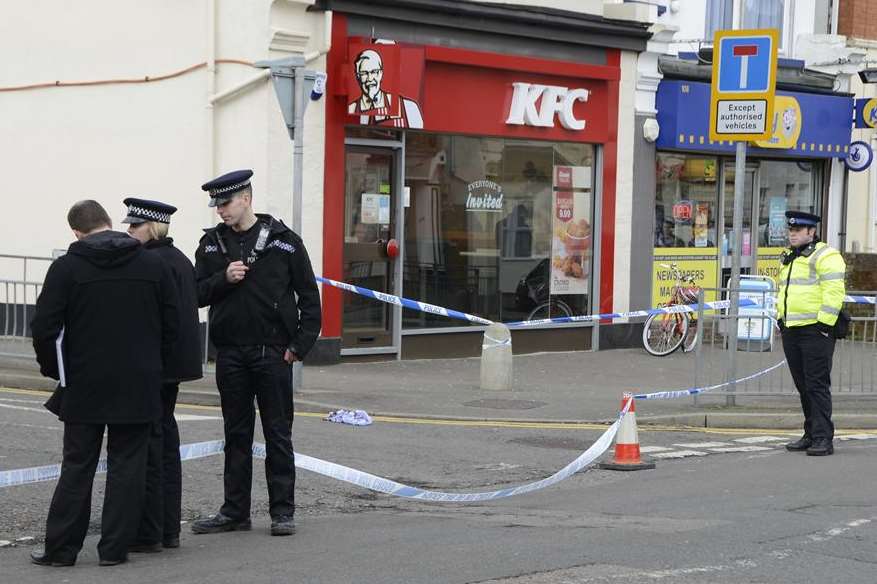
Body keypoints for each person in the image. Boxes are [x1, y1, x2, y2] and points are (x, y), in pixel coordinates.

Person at [29, 200, 178, 567]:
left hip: (83, 382)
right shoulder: (152, 264)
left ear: (77, 232)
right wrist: (157, 370)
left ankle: (61, 550)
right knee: (128, 466)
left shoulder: (66, 268)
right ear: (110, 222)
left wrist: (57, 371)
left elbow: (44, 329)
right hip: (138, 382)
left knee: (78, 464)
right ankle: (113, 549)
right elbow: (173, 326)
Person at [191, 169, 321, 537]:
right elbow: (196, 293)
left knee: (278, 434)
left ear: (246, 199)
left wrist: (298, 347)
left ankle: (282, 512)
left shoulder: (285, 242)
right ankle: (235, 512)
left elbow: (310, 299)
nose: (221, 211)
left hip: (273, 353)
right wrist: (222, 279)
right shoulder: (212, 244)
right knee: (236, 435)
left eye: (226, 203)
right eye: (216, 204)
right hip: (231, 352)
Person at [122, 198, 203, 552]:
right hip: (173, 369)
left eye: (135, 226)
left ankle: (150, 531)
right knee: (167, 446)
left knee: (151, 449)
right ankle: (168, 528)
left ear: (152, 228)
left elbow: (153, 319)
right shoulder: (180, 259)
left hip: (154, 368)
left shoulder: (150, 261)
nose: (129, 231)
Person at [777, 211, 846, 456]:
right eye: (791, 230)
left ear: (811, 231)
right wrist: (780, 319)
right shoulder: (789, 256)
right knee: (803, 385)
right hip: (792, 329)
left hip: (816, 331)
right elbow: (784, 291)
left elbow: (834, 292)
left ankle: (823, 438)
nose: (792, 234)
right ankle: (810, 433)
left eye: (798, 230)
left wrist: (824, 326)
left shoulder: (826, 255)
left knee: (816, 385)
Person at [348, 48, 424, 128]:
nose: (370, 78)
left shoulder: (408, 107)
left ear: (381, 73)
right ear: (357, 76)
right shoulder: (351, 109)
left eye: (374, 72)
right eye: (364, 73)